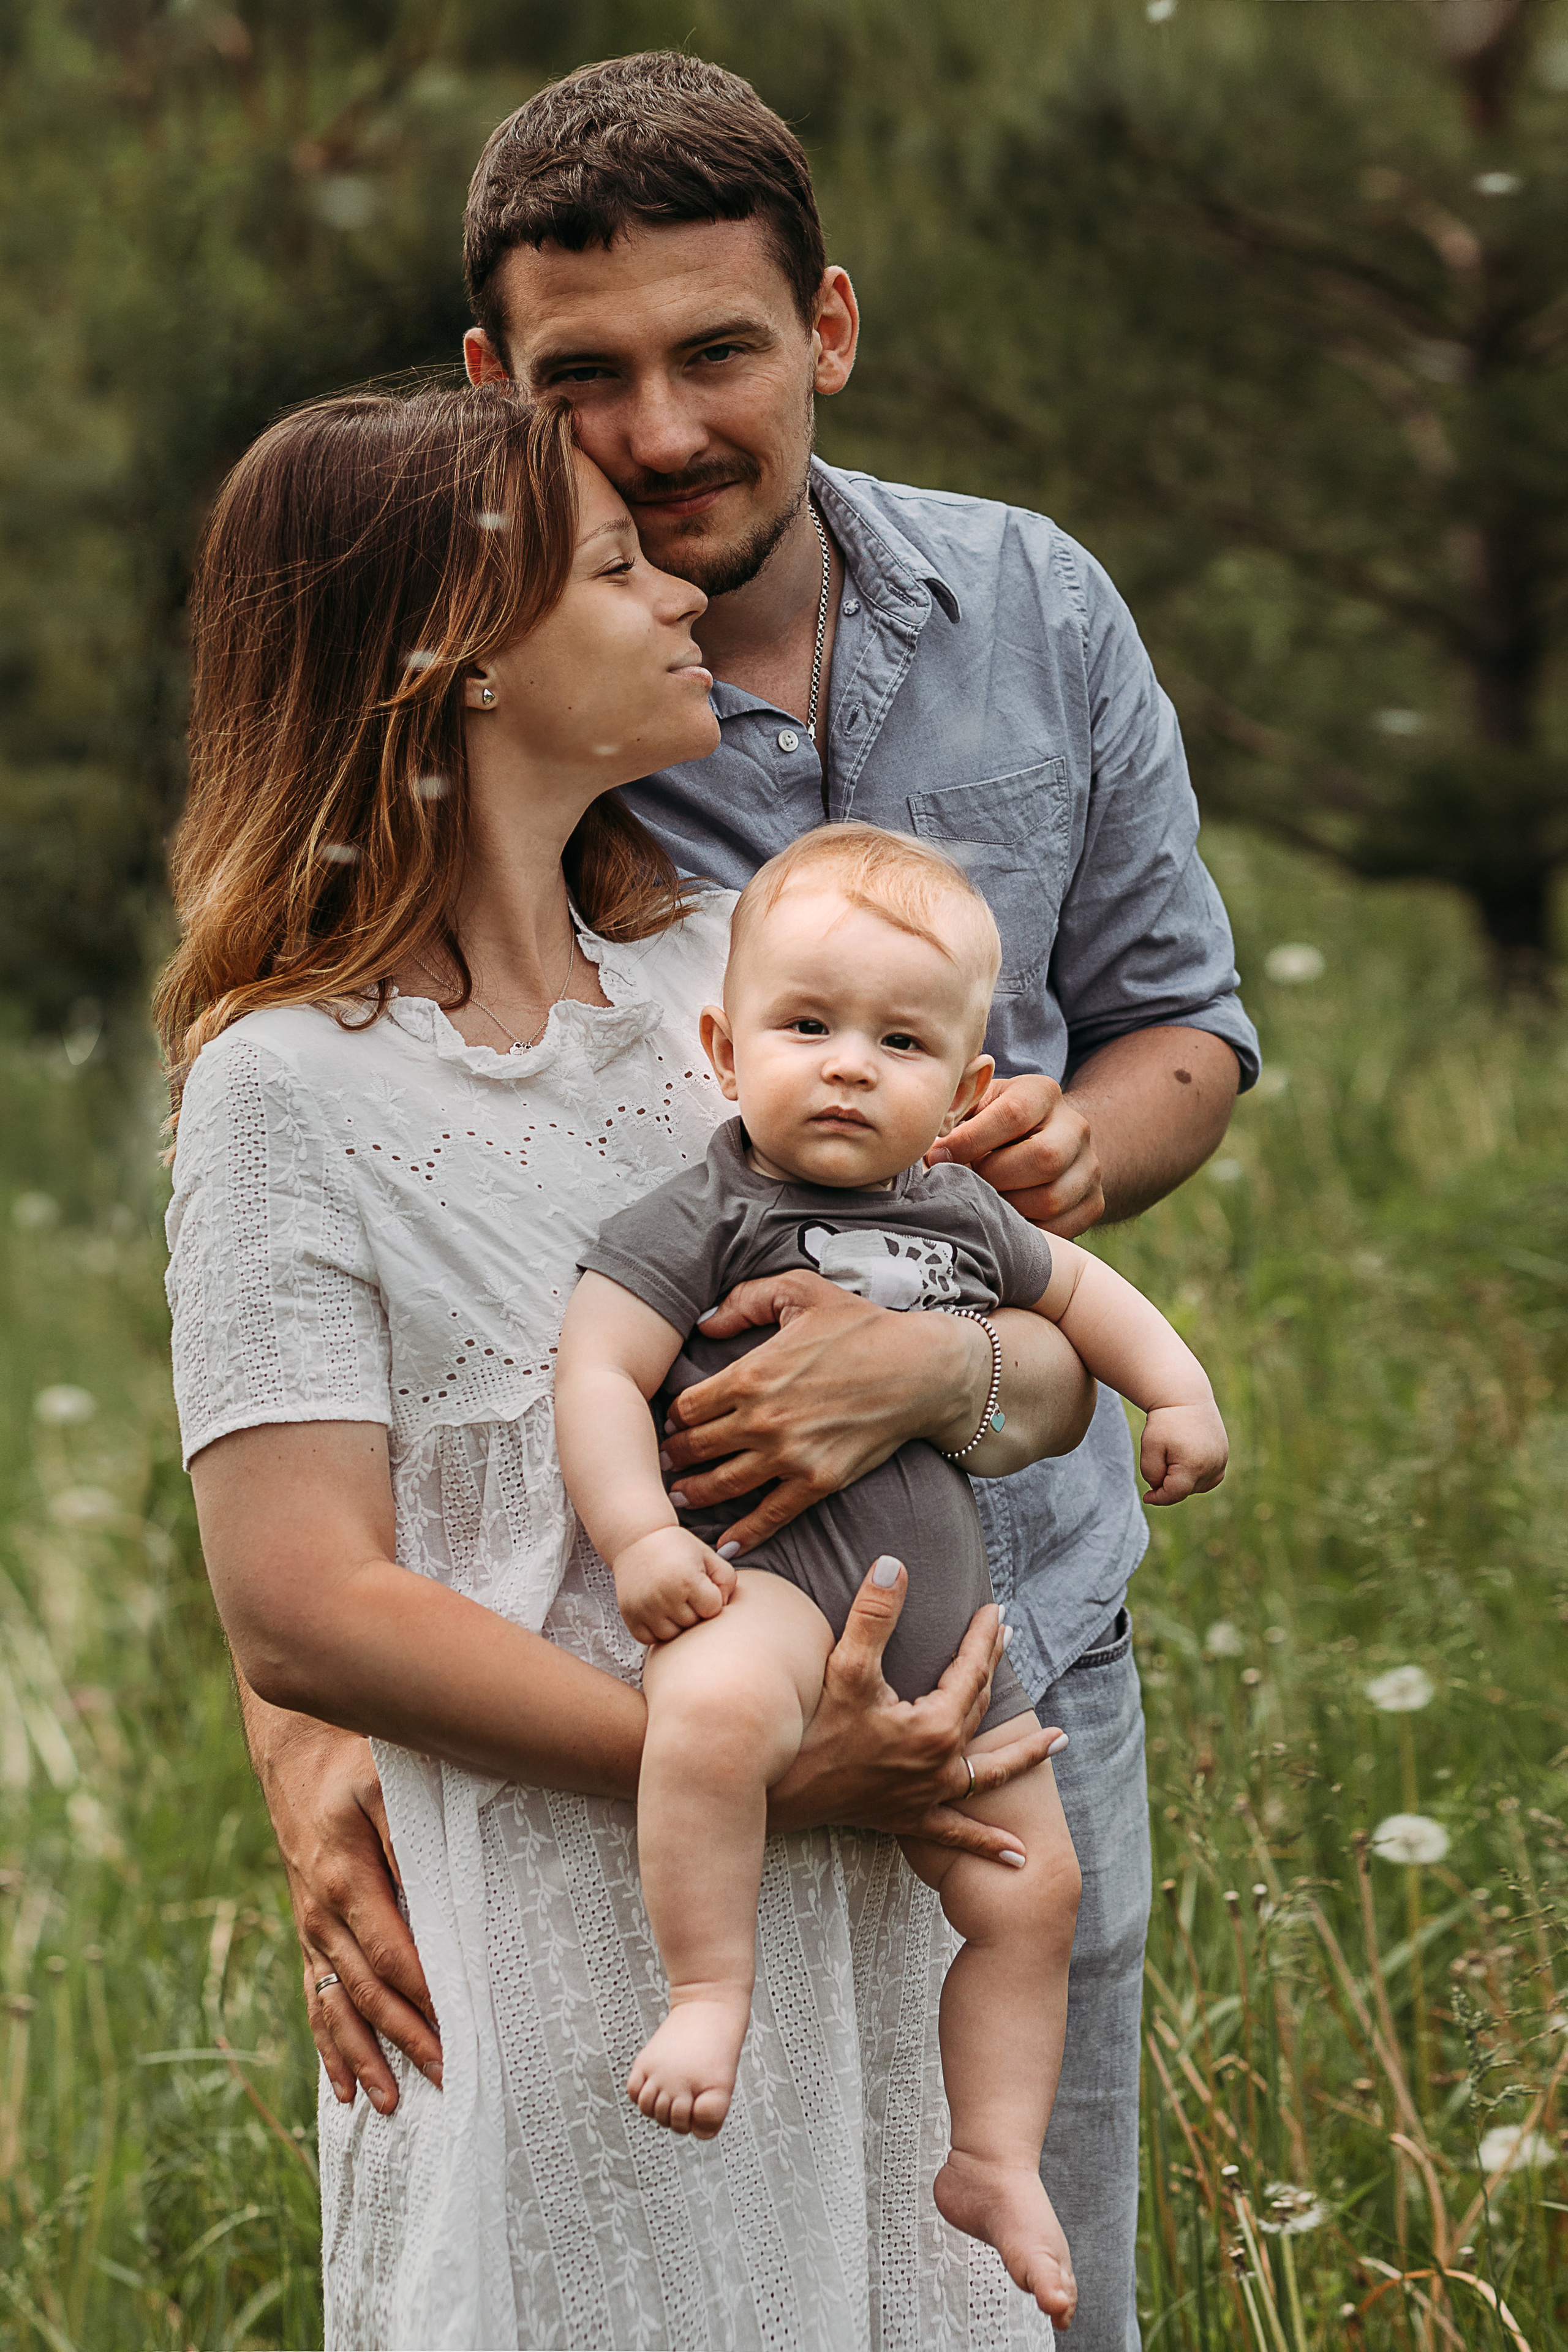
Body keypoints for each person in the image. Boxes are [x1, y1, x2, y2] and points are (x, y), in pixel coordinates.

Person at [239, 51, 1261, 2350]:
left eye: (720, 352)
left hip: (1012, 1640)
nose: (666, 434)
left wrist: (1055, 1199)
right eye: (585, 383)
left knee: (1006, 2273)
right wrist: (309, 1747)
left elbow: (1184, 1025)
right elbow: (320, 1343)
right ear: (495, 387)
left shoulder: (1031, 610)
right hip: (644, 1720)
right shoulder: (538, 736)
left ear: (830, 328)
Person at [161, 381, 1099, 2347]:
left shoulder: (742, 986)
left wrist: (938, 1376)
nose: (677, 590)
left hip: (873, 1918)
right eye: (609, 567)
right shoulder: (290, 1088)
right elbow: (301, 1604)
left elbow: (1045, 1369)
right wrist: (764, 1768)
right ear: (463, 665)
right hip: (576, 1941)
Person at [556, 825, 1227, 2327]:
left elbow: (1088, 1294)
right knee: (708, 1720)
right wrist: (639, 1536)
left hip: (945, 1627)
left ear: (965, 1090)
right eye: (807, 1028)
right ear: (724, 1049)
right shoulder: (711, 1209)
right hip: (763, 1584)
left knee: (1036, 1891)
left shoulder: (960, 1213)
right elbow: (597, 1367)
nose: (849, 1069)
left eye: (900, 1043)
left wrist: (1175, 1393)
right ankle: (707, 1993)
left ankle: (990, 2156)